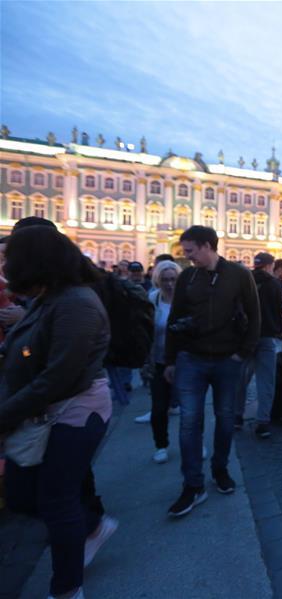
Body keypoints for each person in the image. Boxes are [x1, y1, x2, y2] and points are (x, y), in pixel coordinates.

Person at [0, 226, 116, 599]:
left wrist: (6, 414)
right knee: (23, 496)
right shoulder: (50, 298)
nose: (6, 265)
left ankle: (67, 588)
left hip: (72, 413)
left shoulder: (75, 303)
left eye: (10, 258)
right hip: (45, 411)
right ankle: (90, 526)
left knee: (56, 499)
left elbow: (58, 378)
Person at [163, 225, 261, 517]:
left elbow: (254, 317)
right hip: (191, 360)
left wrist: (241, 354)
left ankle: (220, 469)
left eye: (191, 251)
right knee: (189, 422)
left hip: (226, 361)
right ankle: (193, 484)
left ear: (208, 246)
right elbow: (175, 318)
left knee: (225, 418)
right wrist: (170, 359)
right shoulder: (188, 278)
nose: (187, 256)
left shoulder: (239, 275)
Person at [234, 252, 282, 439]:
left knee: (241, 378)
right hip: (266, 336)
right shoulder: (274, 284)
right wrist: (277, 328)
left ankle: (237, 416)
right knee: (266, 381)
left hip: (245, 338)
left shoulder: (244, 281)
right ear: (270, 265)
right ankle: (262, 422)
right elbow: (278, 309)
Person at [145, 260, 182, 464]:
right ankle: (161, 445)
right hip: (159, 362)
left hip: (185, 363)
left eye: (173, 280)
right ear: (158, 280)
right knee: (159, 408)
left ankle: (195, 442)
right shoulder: (152, 300)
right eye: (165, 280)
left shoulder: (186, 301)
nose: (169, 284)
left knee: (190, 408)